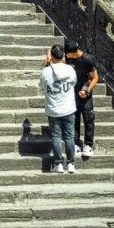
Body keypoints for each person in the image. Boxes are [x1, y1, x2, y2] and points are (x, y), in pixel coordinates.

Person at [40, 43, 77, 174]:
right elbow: (74, 83)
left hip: (53, 109)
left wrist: (46, 64)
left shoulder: (45, 72)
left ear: (51, 56)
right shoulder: (70, 69)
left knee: (56, 137)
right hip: (69, 108)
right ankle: (71, 163)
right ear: (63, 56)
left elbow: (42, 87)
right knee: (69, 137)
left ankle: (59, 164)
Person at [64, 39, 99, 157]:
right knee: (74, 119)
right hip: (72, 93)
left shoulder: (88, 59)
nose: (65, 55)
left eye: (67, 54)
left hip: (85, 93)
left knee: (89, 119)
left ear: (72, 53)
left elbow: (95, 78)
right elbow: (53, 50)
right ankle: (76, 144)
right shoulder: (68, 58)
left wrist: (87, 91)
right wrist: (49, 56)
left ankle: (88, 145)